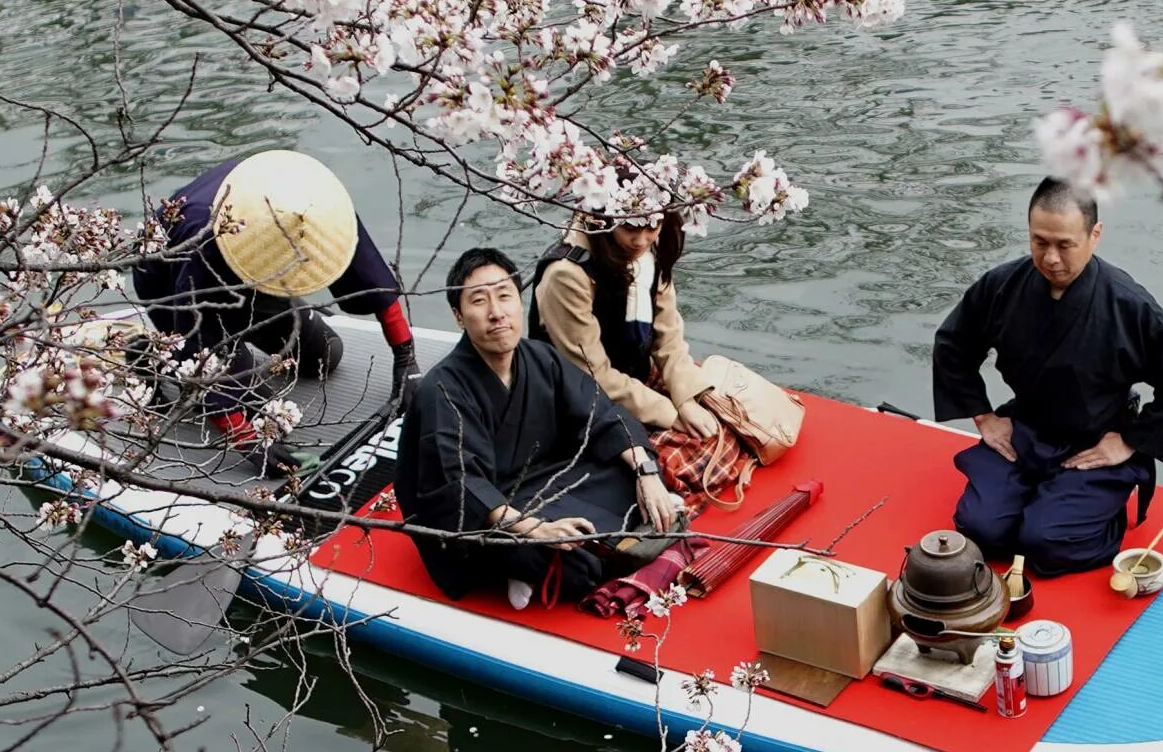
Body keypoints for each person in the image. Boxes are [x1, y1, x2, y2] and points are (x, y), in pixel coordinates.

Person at [930, 177, 1163, 574]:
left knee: (1043, 543)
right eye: (1039, 241)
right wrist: (984, 416)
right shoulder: (1003, 286)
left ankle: (1103, 514)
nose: (1050, 258)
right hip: (1025, 430)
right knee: (980, 531)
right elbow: (953, 345)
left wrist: (1131, 440)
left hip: (1095, 442)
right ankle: (1036, 500)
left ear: (1094, 235)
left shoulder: (1127, 304)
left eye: (1065, 245)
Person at [396, 247, 685, 606]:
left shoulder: (540, 357)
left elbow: (601, 414)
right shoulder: (442, 390)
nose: (496, 313)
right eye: (479, 301)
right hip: (485, 515)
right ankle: (523, 565)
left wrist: (646, 474)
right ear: (459, 316)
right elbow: (460, 484)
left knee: (627, 467)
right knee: (569, 561)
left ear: (519, 302)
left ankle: (576, 540)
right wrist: (535, 528)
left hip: (545, 482)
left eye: (505, 296)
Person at [130, 150, 418, 460]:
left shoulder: (315, 202)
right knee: (264, 413)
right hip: (169, 275)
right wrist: (245, 441)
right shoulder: (207, 242)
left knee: (325, 354)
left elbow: (370, 276)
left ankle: (253, 338)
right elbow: (196, 339)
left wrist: (406, 360)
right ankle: (152, 351)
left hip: (258, 267)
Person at [528, 204, 722, 437]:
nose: (641, 240)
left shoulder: (651, 248)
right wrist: (669, 414)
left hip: (632, 381)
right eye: (630, 227)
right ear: (606, 219)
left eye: (653, 226)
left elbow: (668, 338)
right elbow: (592, 374)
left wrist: (687, 398)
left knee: (722, 424)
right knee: (685, 455)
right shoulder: (568, 274)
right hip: (577, 398)